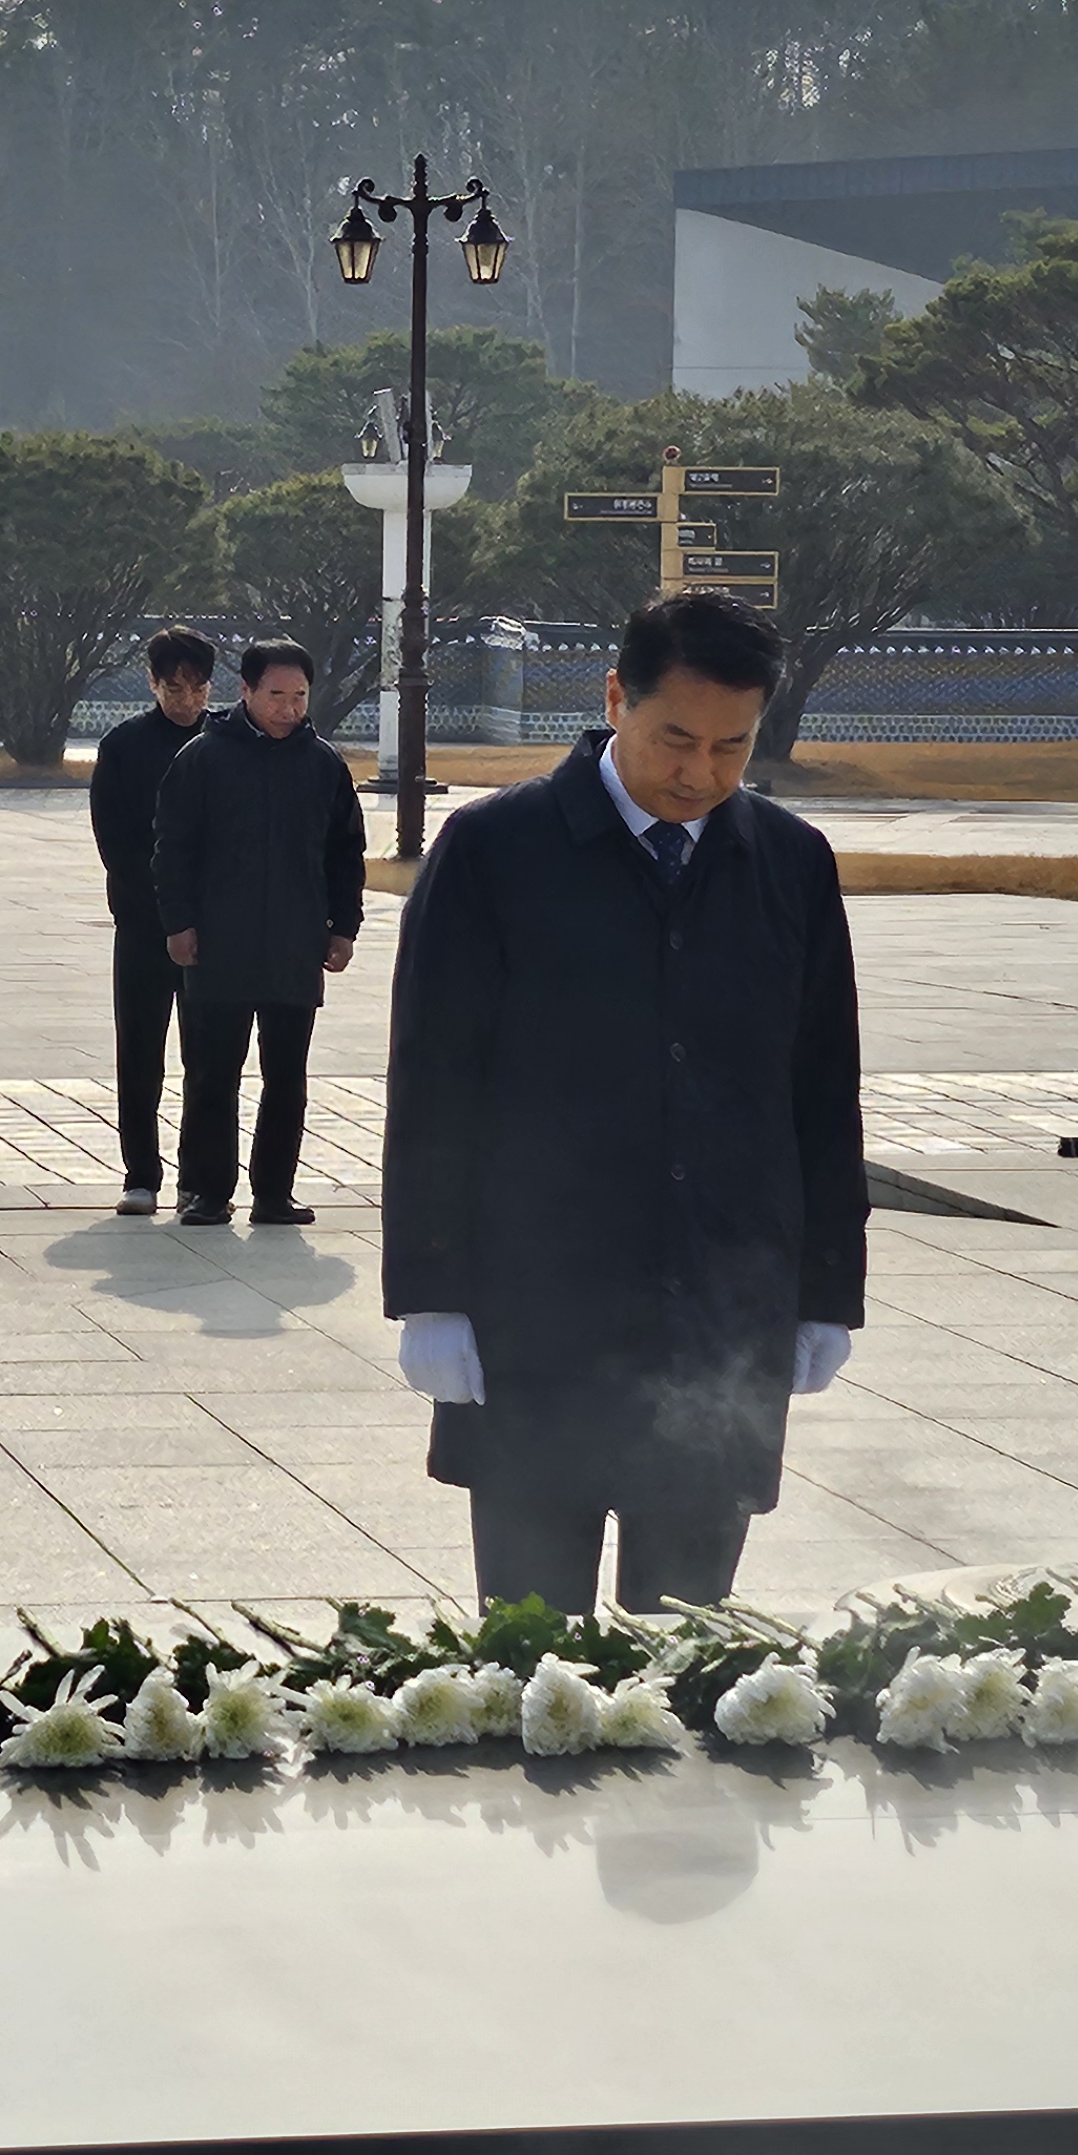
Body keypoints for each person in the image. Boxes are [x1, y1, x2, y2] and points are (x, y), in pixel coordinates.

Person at [382, 588, 865, 1615]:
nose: (701, 774)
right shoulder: (494, 853)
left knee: (687, 1656)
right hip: (538, 1314)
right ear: (615, 697)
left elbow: (822, 1091)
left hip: (719, 1316)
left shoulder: (787, 865)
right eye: (675, 740)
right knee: (530, 1657)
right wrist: (431, 1293)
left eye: (733, 748)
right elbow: (434, 1084)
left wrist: (825, 1289)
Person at [151, 637, 364, 1227]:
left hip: (295, 946)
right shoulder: (203, 759)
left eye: (299, 696)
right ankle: (206, 1190)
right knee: (213, 1073)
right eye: (276, 695)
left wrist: (343, 927)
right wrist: (179, 924)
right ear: (245, 691)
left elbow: (346, 853)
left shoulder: (323, 764)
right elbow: (172, 850)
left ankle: (274, 1192)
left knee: (286, 1077)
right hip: (218, 946)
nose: (288, 708)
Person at [87, 625, 217, 1214]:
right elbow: (115, 840)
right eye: (173, 687)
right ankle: (140, 1173)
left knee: (207, 1056)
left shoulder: (226, 744)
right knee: (140, 1049)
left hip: (213, 927)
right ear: (153, 683)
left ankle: (198, 1176)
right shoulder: (124, 746)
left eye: (196, 688)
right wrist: (160, 911)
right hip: (143, 924)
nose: (185, 700)